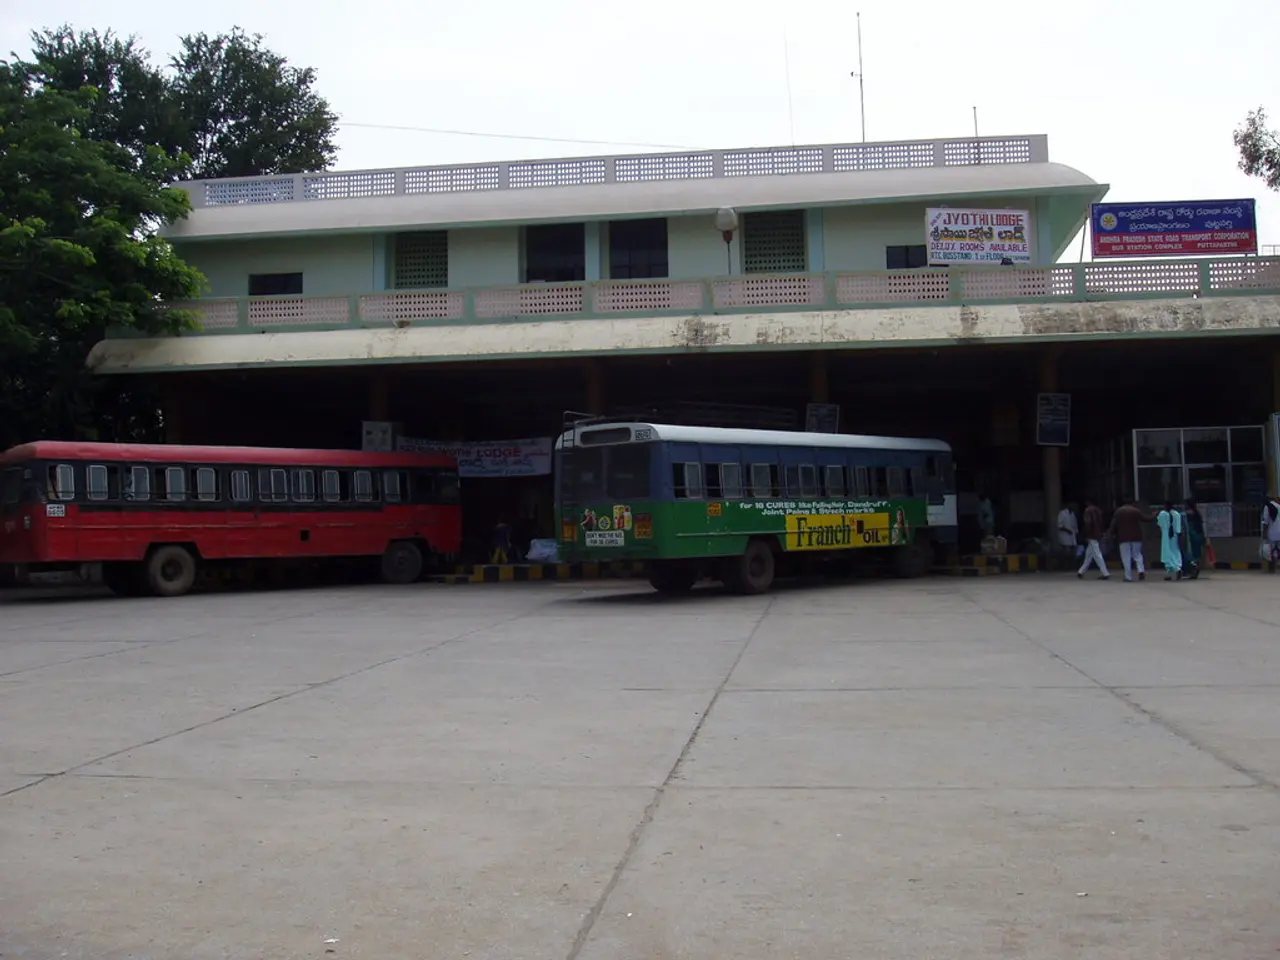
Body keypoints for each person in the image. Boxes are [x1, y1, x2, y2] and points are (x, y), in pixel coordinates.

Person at [1107, 498, 1148, 582]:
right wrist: (1155, 515)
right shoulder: (1136, 511)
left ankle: (1128, 576)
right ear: (1132, 503)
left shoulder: (1119, 512)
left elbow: (1113, 524)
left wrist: (1110, 533)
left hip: (1123, 537)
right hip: (1136, 536)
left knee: (1126, 557)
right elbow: (1145, 519)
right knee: (1137, 554)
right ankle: (1141, 570)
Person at [1076, 498, 1109, 580]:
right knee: (1089, 554)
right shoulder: (1099, 511)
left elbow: (1088, 523)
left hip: (1091, 535)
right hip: (1097, 534)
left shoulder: (1088, 511)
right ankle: (1081, 571)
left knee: (1097, 554)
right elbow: (1102, 523)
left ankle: (1105, 572)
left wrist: (1086, 534)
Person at [1157, 501, 1183, 581]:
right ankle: (1173, 570)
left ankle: (1175, 569)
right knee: (1175, 551)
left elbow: (1159, 524)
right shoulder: (1177, 514)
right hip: (1174, 536)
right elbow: (1179, 528)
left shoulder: (1162, 514)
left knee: (1167, 552)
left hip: (1166, 536)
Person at [1182, 499, 1205, 580]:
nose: (1184, 506)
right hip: (1199, 536)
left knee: (1191, 555)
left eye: (1185, 504)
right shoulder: (1197, 513)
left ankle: (1193, 571)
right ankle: (1195, 571)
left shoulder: (1188, 514)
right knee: (1196, 555)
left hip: (1193, 536)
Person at [1261, 494, 1280, 573]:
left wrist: (1264, 533)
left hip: (1272, 532)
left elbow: (1265, 522)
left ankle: (1271, 569)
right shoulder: (1278, 506)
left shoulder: (1267, 507)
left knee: (1270, 552)